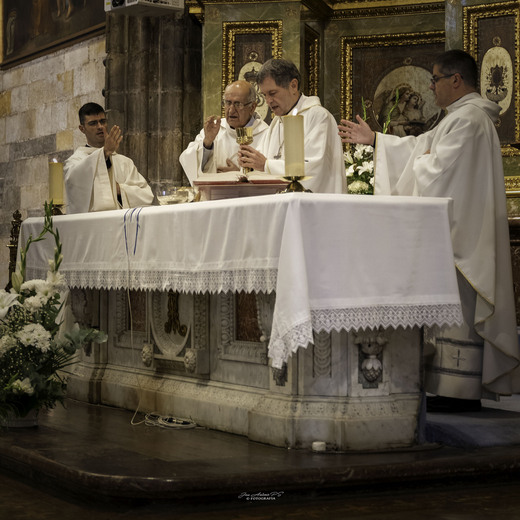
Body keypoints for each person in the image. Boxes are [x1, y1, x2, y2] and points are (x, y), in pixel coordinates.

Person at [338, 49, 519, 412]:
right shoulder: (461, 118)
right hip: (456, 231)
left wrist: (419, 161)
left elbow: (437, 172)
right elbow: (422, 149)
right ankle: (451, 390)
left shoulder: (468, 120)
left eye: (435, 79)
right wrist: (377, 141)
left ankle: (460, 392)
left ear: (456, 80)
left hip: (461, 238)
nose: (431, 87)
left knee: (461, 310)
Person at [238, 58, 346, 193]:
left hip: (313, 202)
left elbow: (314, 168)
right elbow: (261, 161)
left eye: (272, 93)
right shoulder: (276, 123)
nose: (268, 101)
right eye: (264, 95)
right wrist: (249, 164)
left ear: (293, 86)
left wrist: (266, 165)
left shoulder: (318, 117)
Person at [64, 103, 153, 214]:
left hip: (122, 222)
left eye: (103, 121)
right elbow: (74, 183)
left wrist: (120, 190)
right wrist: (104, 153)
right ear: (82, 129)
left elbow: (147, 196)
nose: (100, 126)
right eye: (93, 123)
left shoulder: (125, 162)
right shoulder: (75, 161)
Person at [179, 80, 268, 185]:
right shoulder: (214, 129)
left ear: (252, 107)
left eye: (238, 104)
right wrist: (207, 143)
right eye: (228, 103)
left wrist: (241, 175)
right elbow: (189, 162)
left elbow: (272, 172)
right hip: (215, 194)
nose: (231, 110)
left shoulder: (266, 134)